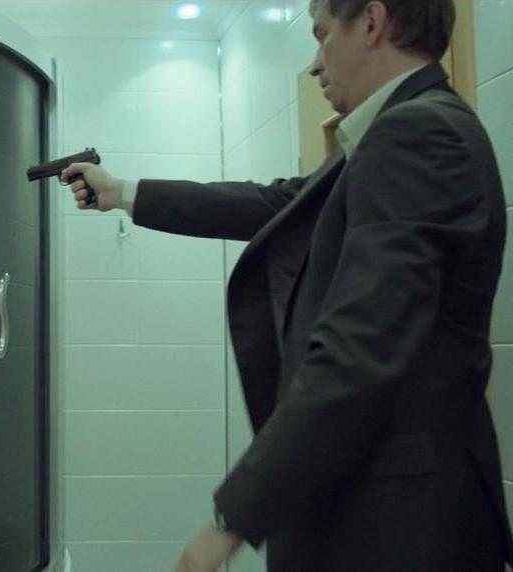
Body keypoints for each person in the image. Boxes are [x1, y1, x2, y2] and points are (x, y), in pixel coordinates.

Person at [62, 1, 513, 570]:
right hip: (394, 509)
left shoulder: (417, 132)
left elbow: (358, 348)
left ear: (372, 22)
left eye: (322, 36)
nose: (316, 64)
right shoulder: (401, 132)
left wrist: (230, 523)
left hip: (401, 523)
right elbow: (276, 203)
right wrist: (123, 192)